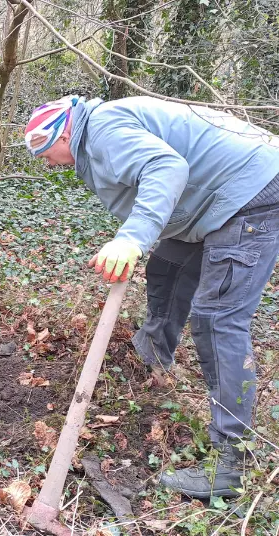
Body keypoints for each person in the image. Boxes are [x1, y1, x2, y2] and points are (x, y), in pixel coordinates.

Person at [25, 95, 279, 499]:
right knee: (168, 265)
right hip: (215, 203)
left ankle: (231, 464)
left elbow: (167, 167)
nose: (46, 162)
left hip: (249, 195)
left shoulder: (104, 130)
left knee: (217, 320)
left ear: (64, 133)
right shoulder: (99, 134)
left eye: (44, 152)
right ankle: (150, 358)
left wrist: (131, 238)